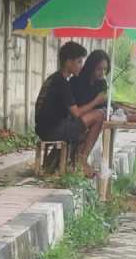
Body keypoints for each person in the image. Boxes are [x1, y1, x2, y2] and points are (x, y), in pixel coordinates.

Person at [35, 41, 104, 175]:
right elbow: (77, 112)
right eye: (79, 62)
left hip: (43, 128)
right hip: (52, 130)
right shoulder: (62, 83)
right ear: (68, 62)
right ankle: (81, 161)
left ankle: (54, 163)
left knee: (82, 128)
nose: (81, 66)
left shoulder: (54, 78)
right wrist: (97, 101)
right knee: (99, 115)